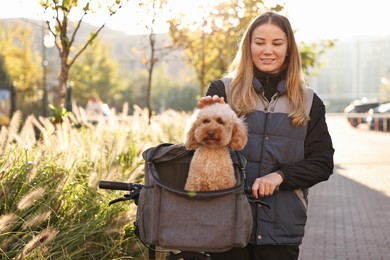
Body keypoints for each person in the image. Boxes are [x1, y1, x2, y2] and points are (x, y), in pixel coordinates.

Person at [198, 12, 335, 260]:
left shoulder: (309, 102)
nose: (267, 50)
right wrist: (205, 125)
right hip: (227, 223)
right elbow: (202, 156)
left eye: (277, 43)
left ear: (289, 48)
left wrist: (280, 176)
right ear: (248, 45)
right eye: (260, 42)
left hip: (281, 229)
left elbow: (323, 163)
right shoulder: (222, 91)